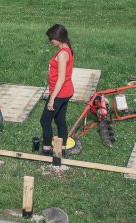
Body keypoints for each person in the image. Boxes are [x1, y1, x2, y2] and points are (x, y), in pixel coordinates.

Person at [40, 24, 74, 156]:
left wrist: (52, 99)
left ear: (58, 38)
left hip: (60, 93)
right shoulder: (66, 50)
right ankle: (62, 150)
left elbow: (61, 79)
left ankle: (46, 150)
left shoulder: (62, 54)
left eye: (51, 38)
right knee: (60, 120)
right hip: (66, 91)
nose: (50, 41)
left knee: (45, 121)